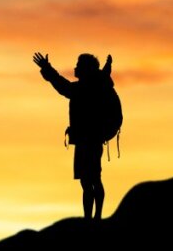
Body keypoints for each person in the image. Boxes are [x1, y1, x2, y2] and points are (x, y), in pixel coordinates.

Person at [33, 52, 118, 220]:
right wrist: (47, 68)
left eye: (79, 65)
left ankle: (94, 218)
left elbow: (62, 86)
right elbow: (63, 85)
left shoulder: (85, 89)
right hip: (85, 140)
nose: (75, 68)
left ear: (86, 69)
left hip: (89, 140)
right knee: (89, 180)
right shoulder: (91, 87)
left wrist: (47, 69)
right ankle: (92, 217)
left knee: (91, 179)